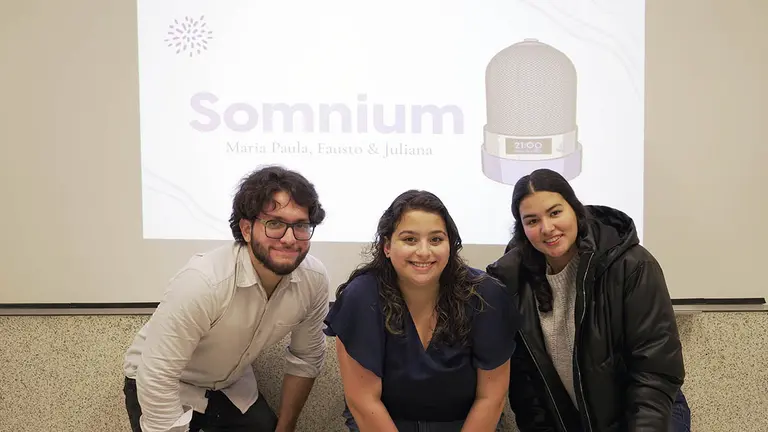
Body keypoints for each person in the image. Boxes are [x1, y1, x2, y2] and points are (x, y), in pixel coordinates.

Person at [122, 166, 331, 432]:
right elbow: (158, 373)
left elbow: (307, 357)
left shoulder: (313, 280)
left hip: (230, 386)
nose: (290, 239)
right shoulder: (205, 281)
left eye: (300, 225)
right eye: (275, 224)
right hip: (161, 383)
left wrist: (286, 427)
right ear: (246, 229)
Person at [486, 168, 690, 431]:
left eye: (555, 212)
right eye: (532, 221)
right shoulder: (514, 281)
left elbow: (654, 369)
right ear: (522, 228)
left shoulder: (632, 264)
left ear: (575, 209)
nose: (547, 228)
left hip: (649, 413)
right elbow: (528, 391)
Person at [324, 190, 522, 432]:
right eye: (409, 239)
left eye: (436, 240)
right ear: (386, 246)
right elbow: (364, 401)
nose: (424, 252)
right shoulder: (361, 297)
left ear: (451, 245)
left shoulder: (485, 296)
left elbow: (491, 398)